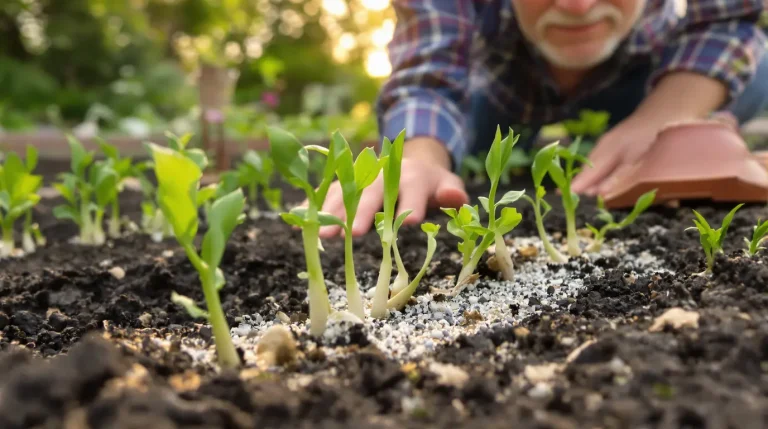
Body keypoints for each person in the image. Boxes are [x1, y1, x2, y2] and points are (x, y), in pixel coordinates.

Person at [318, 0, 768, 238]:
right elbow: (429, 71)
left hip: (649, 71)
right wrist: (420, 153)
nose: (578, 5)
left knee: (756, 73)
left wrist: (667, 114)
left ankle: (681, 116)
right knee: (462, 147)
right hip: (506, 89)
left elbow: (732, 17)